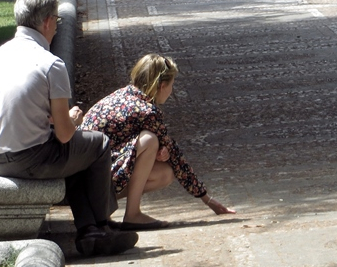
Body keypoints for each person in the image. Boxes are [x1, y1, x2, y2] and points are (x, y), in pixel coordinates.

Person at [0, 0, 136, 256]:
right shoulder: (50, 64)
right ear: (48, 22)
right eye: (57, 22)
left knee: (72, 159)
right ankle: (102, 224)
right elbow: (64, 135)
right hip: (30, 159)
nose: (56, 29)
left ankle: (90, 232)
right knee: (97, 144)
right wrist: (72, 119)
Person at [80, 53, 235, 231]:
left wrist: (161, 150)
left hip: (83, 174)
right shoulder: (147, 111)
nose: (171, 91)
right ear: (162, 86)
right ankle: (132, 214)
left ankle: (101, 210)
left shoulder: (122, 95)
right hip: (88, 181)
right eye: (171, 85)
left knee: (164, 172)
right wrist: (207, 200)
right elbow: (176, 158)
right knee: (150, 141)